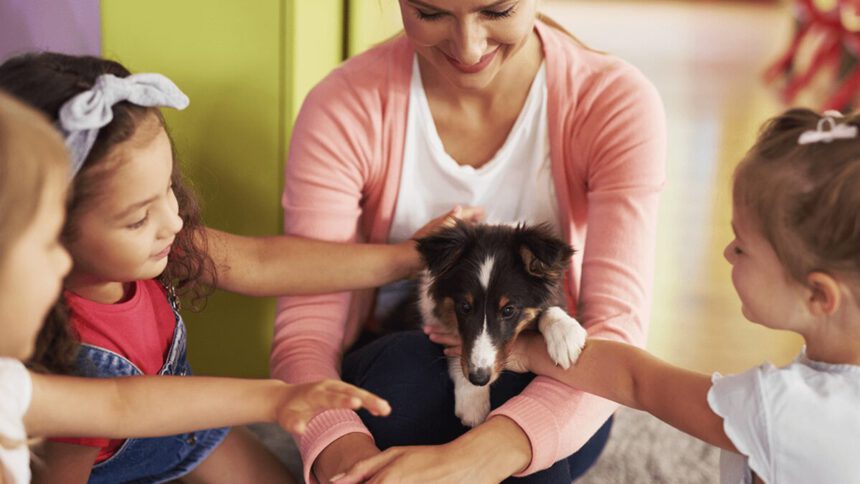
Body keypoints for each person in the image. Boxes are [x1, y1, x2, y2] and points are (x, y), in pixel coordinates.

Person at [0, 52, 452, 484]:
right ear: (48, 228)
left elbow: (265, 262)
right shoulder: (56, 365)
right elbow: (114, 409)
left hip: (186, 423)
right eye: (138, 218)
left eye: (169, 189)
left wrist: (403, 258)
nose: (174, 221)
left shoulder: (160, 246)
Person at [272, 0, 666, 481]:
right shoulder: (344, 105)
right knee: (401, 374)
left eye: (497, 11)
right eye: (430, 12)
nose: (468, 47)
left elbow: (615, 328)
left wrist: (481, 455)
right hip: (403, 355)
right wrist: (341, 450)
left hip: (553, 371)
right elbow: (306, 332)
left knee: (532, 428)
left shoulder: (612, 101)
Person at [417, 108, 858, 484]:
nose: (726, 252)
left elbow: (635, 381)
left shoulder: (776, 408)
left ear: (819, 294)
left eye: (740, 246)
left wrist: (528, 351)